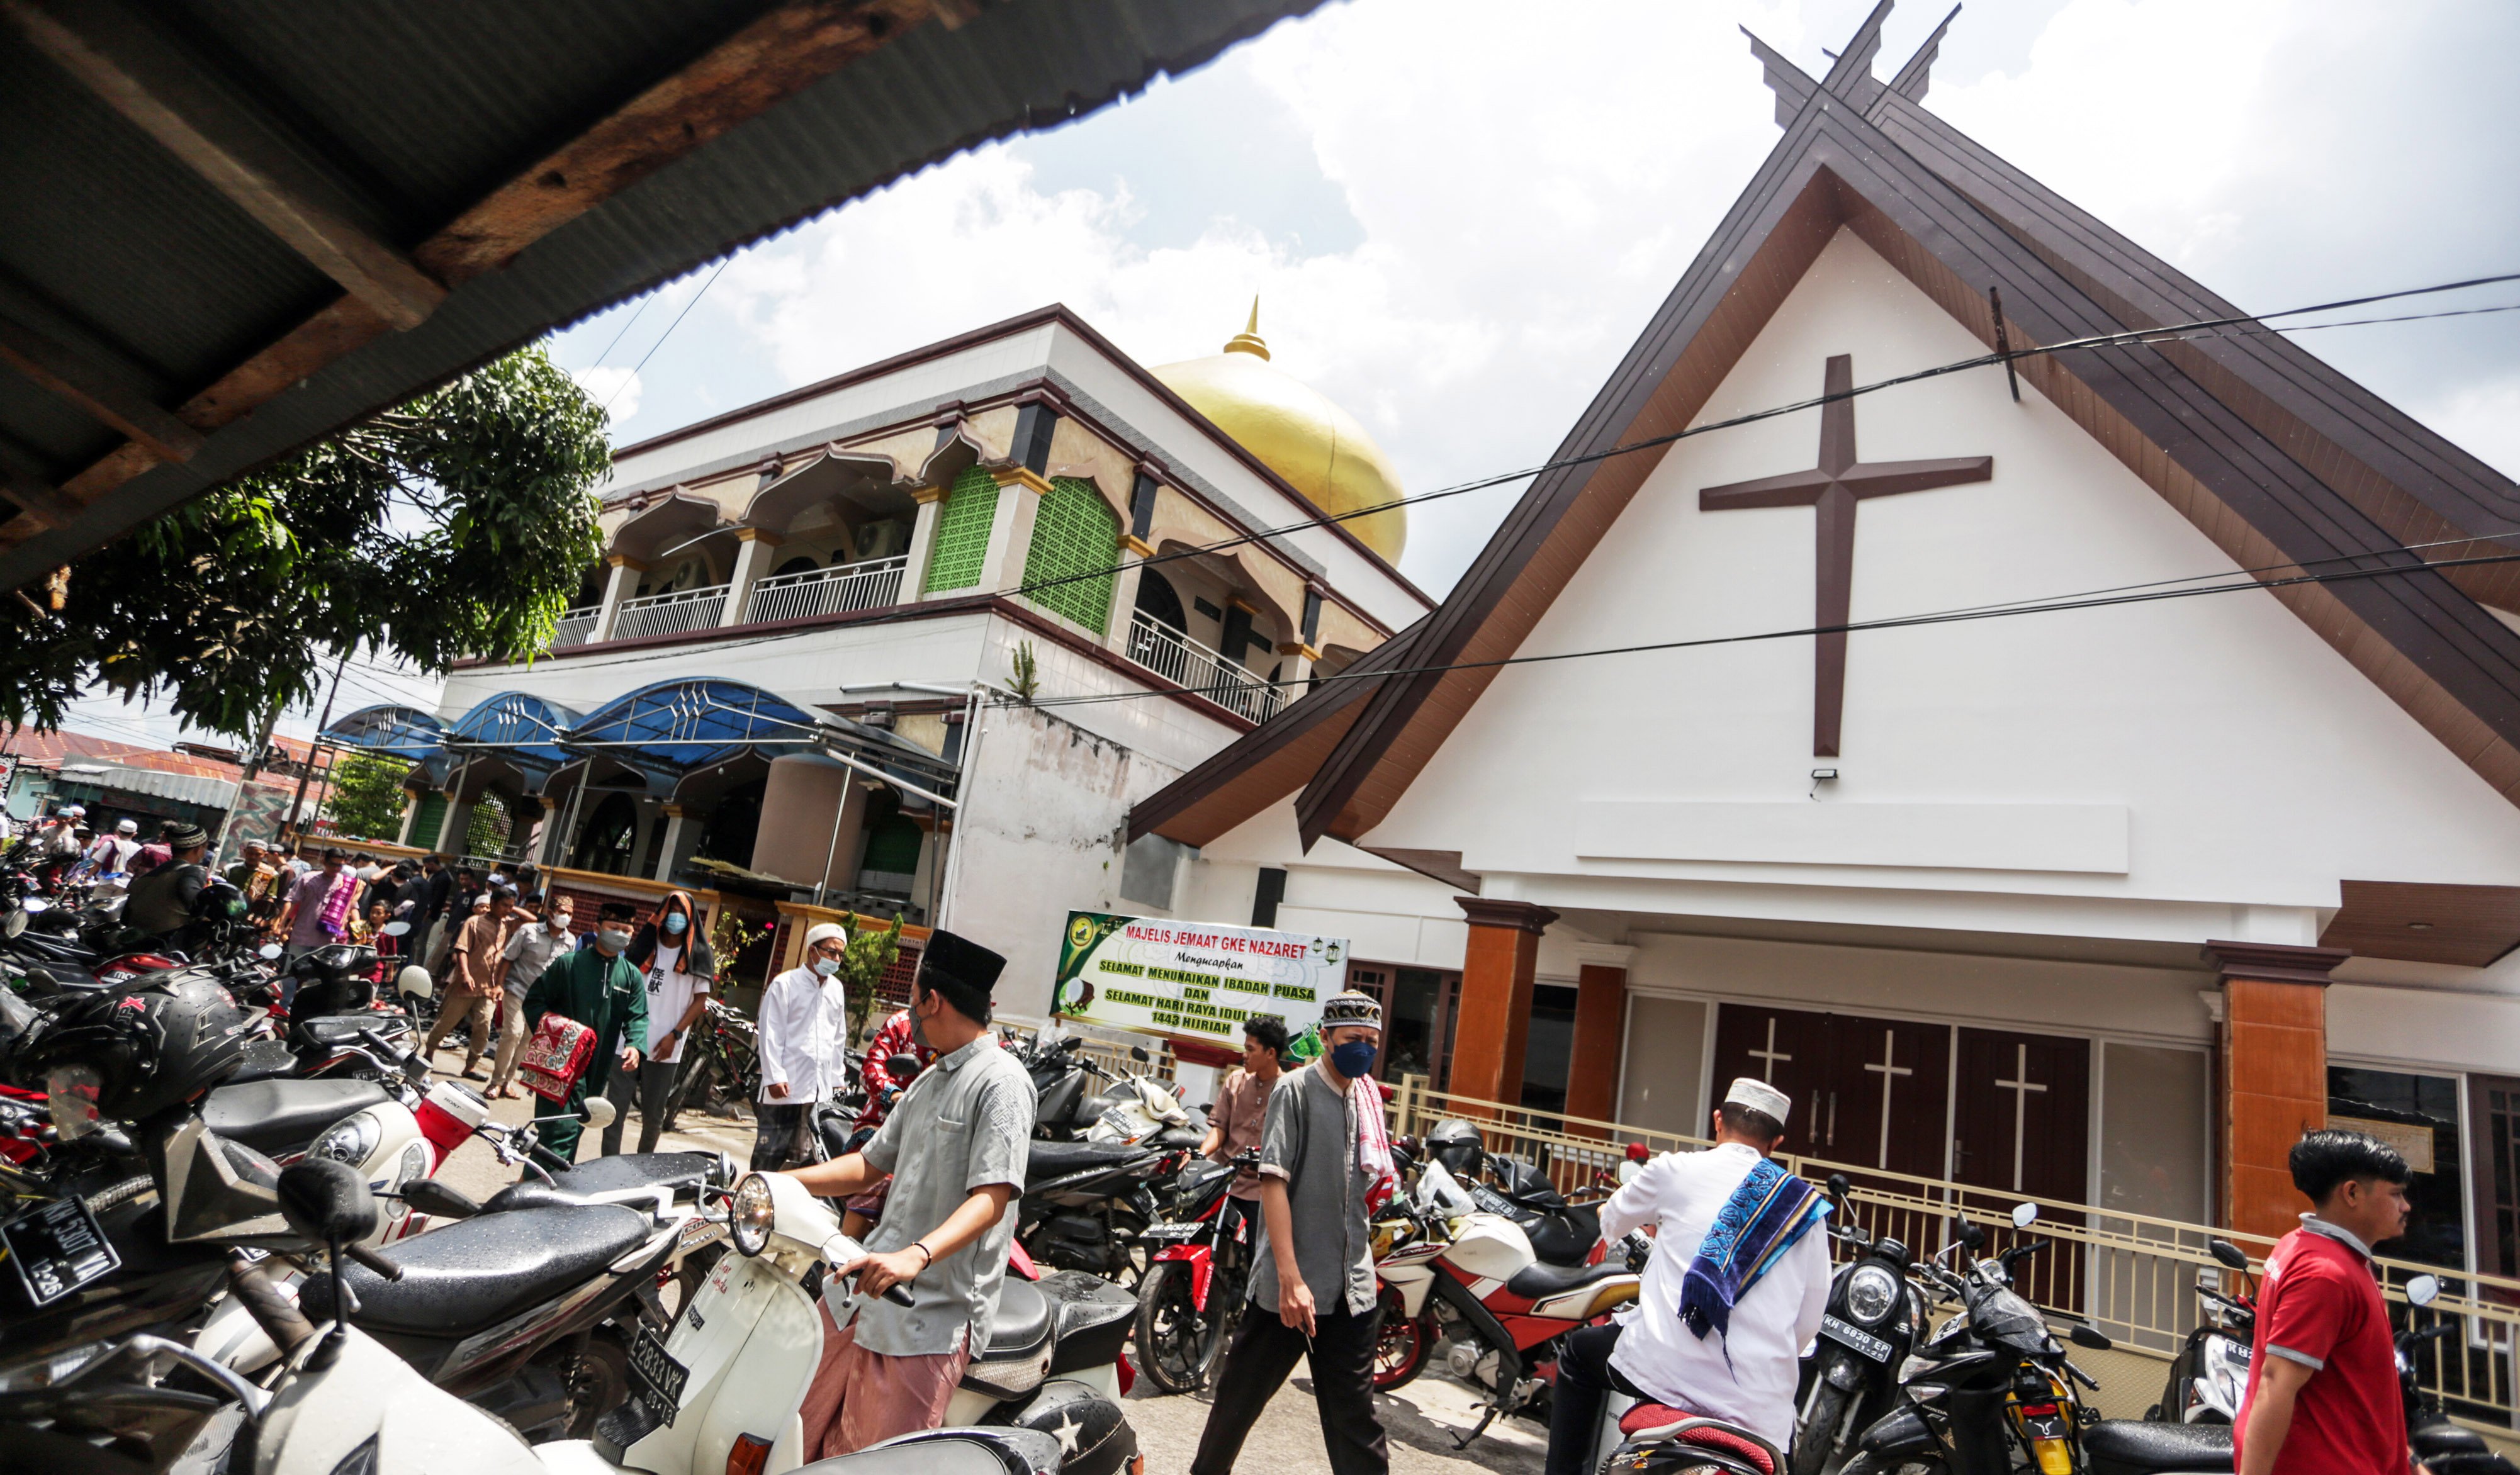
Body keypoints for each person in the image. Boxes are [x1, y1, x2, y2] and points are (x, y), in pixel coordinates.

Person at [780, 931, 1031, 1458]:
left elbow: (993, 1197)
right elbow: (869, 1165)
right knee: (788, 1435)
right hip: (861, 1293)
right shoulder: (930, 1077)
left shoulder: (1002, 1082)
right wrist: (782, 1181)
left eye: (912, 996)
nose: (909, 1010)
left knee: (878, 1465)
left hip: (930, 1314)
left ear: (932, 1000)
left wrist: (916, 1256)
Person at [1542, 1079, 1831, 1473]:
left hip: (1665, 1373)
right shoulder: (1804, 1209)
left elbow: (1610, 1220)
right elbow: (1808, 1323)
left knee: (1577, 1357)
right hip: (1760, 1405)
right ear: (1777, 1142)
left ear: (1717, 1120)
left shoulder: (1674, 1169)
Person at [1191, 992, 1397, 1475]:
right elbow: (1273, 1182)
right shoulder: (1297, 1090)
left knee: (1357, 1424)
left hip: (1351, 1290)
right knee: (1235, 1408)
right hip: (1289, 1290)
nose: (1363, 1049)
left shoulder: (1367, 1097)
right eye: (1352, 1040)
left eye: (1371, 1041)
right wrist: (1290, 1279)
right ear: (1326, 1038)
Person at [2235, 1129, 2414, 1475]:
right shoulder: (2327, 1274)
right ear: (2352, 1193)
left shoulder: (2303, 1246)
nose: (2405, 1206)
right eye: (2395, 1194)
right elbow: (2276, 1384)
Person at [519, 899, 646, 1162]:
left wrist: (635, 1044)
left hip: (598, 1065)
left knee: (576, 1124)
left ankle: (541, 1179)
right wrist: (555, 1030)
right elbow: (534, 1001)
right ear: (597, 927)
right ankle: (541, 1185)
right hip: (560, 1061)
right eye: (614, 927)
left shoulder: (631, 976)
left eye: (627, 929)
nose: (621, 934)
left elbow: (638, 1016)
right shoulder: (568, 964)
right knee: (558, 1126)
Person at [604, 890, 716, 1155]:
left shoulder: (698, 954)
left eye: (681, 912)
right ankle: (607, 1166)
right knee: (614, 1111)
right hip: (627, 1042)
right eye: (671, 910)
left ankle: (643, 1170)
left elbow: (700, 1000)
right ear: (662, 914)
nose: (675, 917)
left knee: (653, 1116)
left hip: (666, 1047)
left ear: (690, 919)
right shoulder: (645, 946)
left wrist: (675, 1034)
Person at [753, 923, 851, 1171]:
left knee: (807, 1160)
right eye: (831, 952)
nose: (836, 959)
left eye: (840, 954)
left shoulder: (836, 989)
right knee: (770, 1156)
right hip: (785, 1087)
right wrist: (774, 1076)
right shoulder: (785, 984)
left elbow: (838, 1037)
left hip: (819, 1091)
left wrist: (837, 1079)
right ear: (813, 951)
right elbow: (770, 1033)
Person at [1201, 1014, 1289, 1245]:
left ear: (1270, 1053)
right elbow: (1219, 1128)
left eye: (1251, 1049)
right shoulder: (1235, 1081)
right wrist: (1201, 1155)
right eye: (1245, 1048)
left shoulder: (1288, 1091)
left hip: (1260, 1191)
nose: (1244, 1055)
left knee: (1256, 1255)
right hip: (1223, 1180)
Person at [423, 887, 519, 1078]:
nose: (508, 910)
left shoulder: (509, 925)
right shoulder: (474, 922)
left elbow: (533, 920)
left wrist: (513, 910)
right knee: (447, 1022)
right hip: (467, 984)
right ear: (493, 903)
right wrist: (465, 974)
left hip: (489, 988)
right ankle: (429, 1053)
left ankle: (471, 1066)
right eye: (504, 905)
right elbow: (461, 949)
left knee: (483, 1027)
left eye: (511, 906)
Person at [493, 893, 573, 1099]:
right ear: (551, 913)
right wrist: (499, 985)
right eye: (562, 912)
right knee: (513, 1033)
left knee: (527, 1041)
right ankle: (496, 1081)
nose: (566, 917)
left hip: (542, 1000)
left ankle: (508, 1082)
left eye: (569, 914)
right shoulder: (528, 931)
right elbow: (508, 959)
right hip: (518, 989)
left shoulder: (570, 941)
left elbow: (565, 972)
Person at [271, 847, 357, 977]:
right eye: (333, 864)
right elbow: (291, 901)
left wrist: (359, 931)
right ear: (324, 862)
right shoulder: (307, 878)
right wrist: (281, 924)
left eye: (340, 865)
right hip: (302, 934)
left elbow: (352, 907)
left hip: (327, 938)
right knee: (294, 971)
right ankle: (287, 998)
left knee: (318, 975)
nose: (336, 869)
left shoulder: (346, 884)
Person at [122, 822, 212, 937]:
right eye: (205, 847)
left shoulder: (150, 875)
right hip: (166, 945)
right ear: (198, 849)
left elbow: (125, 917)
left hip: (136, 940)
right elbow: (191, 896)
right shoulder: (192, 871)